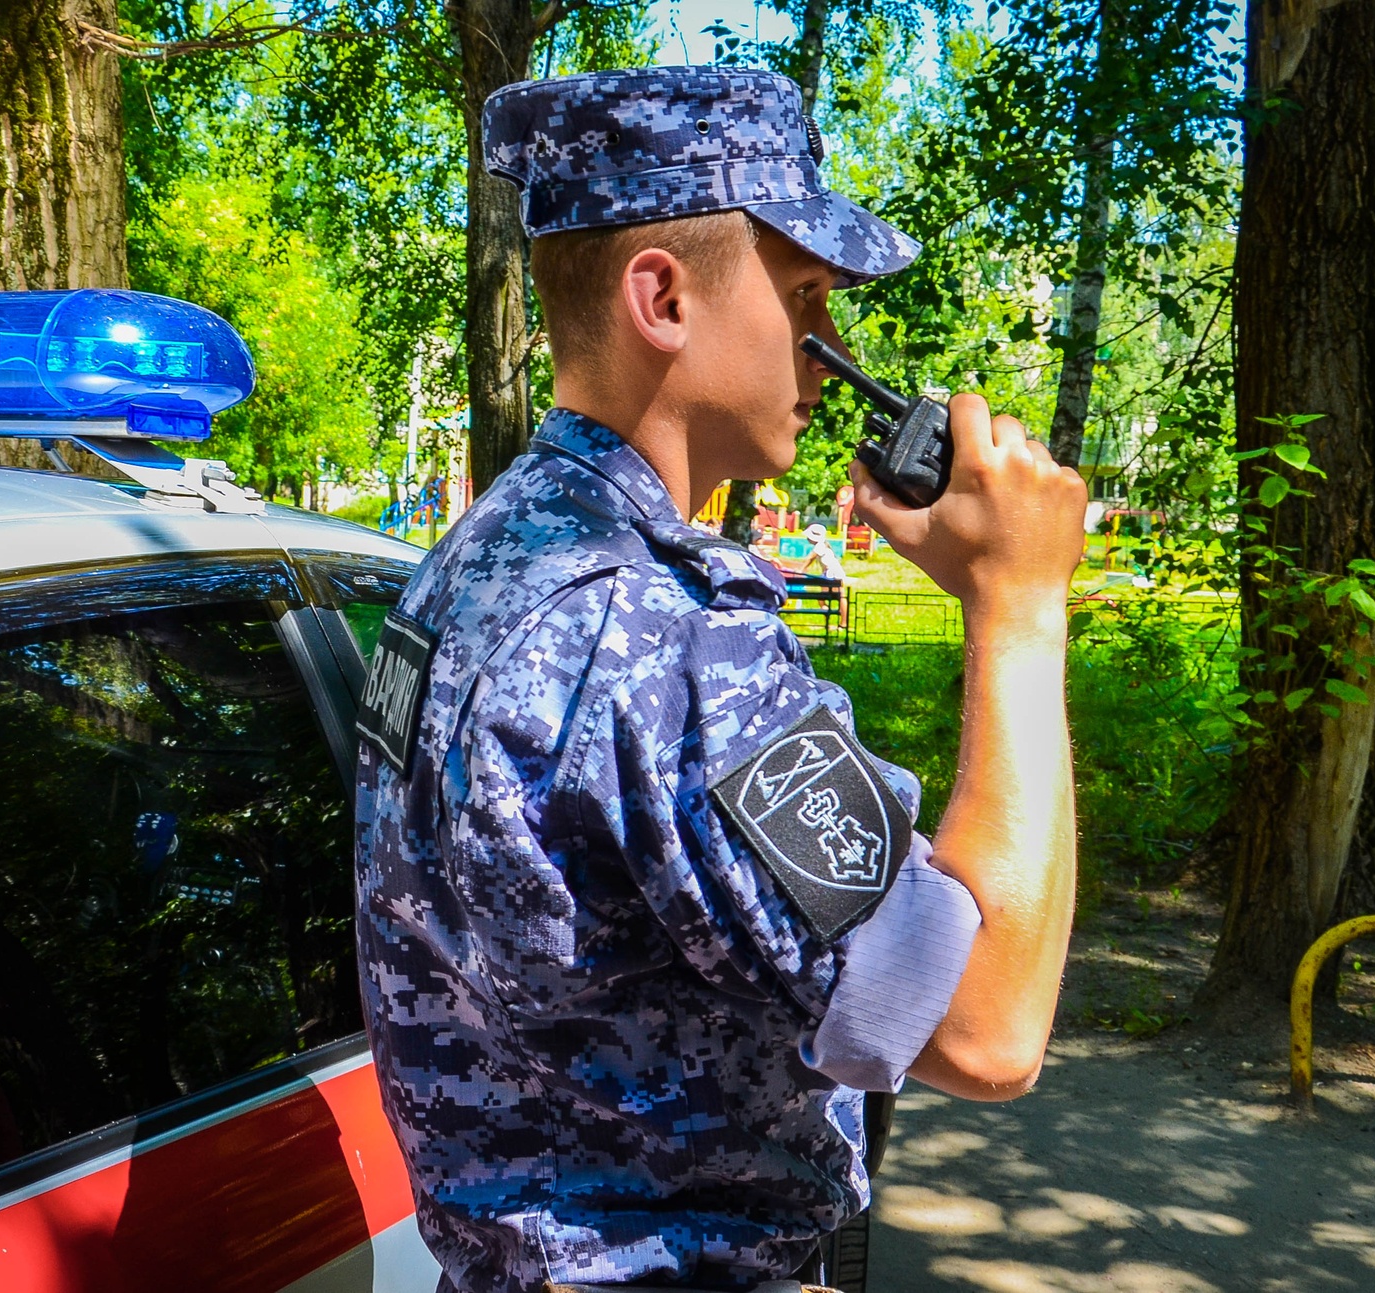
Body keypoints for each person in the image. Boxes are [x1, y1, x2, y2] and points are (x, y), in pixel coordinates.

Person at [353, 66, 1087, 1293]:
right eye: (806, 299)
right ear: (663, 297)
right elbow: (983, 1027)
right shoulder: (671, 635)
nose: (834, 353)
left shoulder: (471, 564)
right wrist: (1018, 605)